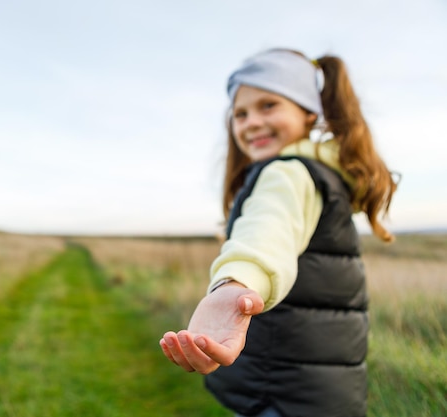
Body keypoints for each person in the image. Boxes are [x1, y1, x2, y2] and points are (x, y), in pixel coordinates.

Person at [159, 48, 398, 417]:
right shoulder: (320, 173)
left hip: (283, 394)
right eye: (240, 114)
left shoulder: (287, 174)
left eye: (268, 106)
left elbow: (267, 230)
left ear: (308, 114)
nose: (251, 122)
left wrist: (236, 284)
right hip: (315, 390)